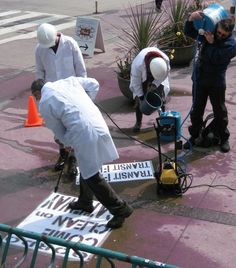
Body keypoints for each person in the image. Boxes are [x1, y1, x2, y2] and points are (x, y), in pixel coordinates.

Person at [30, 76, 133, 229]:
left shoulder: (45, 103)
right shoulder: (68, 81)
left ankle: (120, 209)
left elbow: (57, 129)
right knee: (88, 168)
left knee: (91, 175)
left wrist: (66, 143)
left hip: (83, 133)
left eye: (35, 97)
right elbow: (94, 83)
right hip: (97, 122)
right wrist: (87, 103)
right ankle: (85, 202)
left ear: (38, 92)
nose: (37, 100)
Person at [35, 23, 87, 180]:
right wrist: (41, 96)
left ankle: (73, 159)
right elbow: (39, 73)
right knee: (58, 129)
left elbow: (81, 70)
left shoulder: (70, 44)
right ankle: (63, 154)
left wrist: (82, 93)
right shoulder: (39, 49)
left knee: (72, 128)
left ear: (57, 35)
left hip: (72, 94)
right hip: (53, 96)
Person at [183, 12, 236, 153]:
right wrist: (190, 18)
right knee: (196, 111)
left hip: (216, 81)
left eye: (223, 34)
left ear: (230, 33)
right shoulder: (209, 33)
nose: (220, 36)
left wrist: (211, 43)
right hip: (200, 79)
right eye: (218, 32)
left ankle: (224, 138)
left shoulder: (231, 44)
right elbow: (189, 32)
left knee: (220, 112)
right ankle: (194, 136)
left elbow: (217, 58)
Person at [129, 47, 171, 132]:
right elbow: (136, 83)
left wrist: (155, 84)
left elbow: (165, 74)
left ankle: (163, 120)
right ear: (149, 68)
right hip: (142, 77)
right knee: (138, 99)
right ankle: (138, 122)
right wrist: (141, 97)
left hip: (159, 77)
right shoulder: (137, 65)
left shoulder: (165, 60)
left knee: (160, 98)